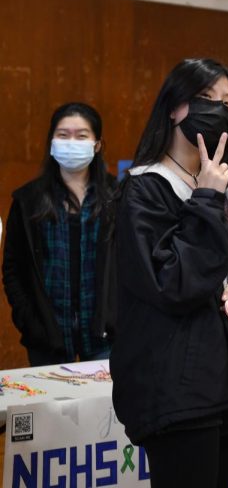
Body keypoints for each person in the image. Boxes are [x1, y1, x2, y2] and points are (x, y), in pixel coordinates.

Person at [110, 58, 228, 488]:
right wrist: (207, 199)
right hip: (176, 392)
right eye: (206, 99)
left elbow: (226, 268)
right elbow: (171, 282)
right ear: (175, 108)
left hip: (225, 388)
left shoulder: (227, 189)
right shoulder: (143, 188)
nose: (218, 110)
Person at [3, 102, 116, 366]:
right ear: (51, 142)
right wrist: (29, 322)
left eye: (81, 136)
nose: (71, 142)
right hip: (47, 334)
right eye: (63, 135)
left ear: (97, 145)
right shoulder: (28, 199)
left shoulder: (118, 196)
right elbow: (13, 269)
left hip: (104, 336)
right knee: (53, 406)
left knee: (106, 407)